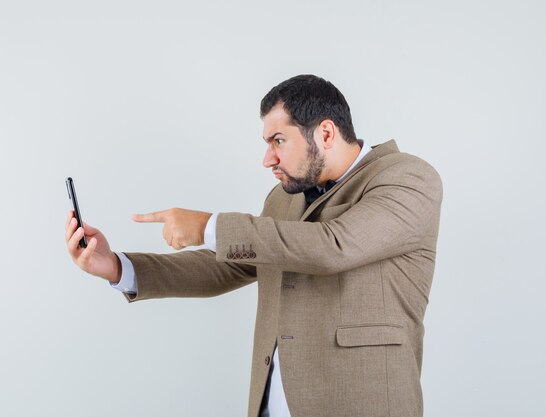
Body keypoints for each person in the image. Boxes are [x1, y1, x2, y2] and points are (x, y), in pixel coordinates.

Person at [65, 74, 443, 417]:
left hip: (363, 403)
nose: (268, 159)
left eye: (279, 141)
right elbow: (229, 265)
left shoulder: (407, 178)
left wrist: (208, 226)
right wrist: (116, 267)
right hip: (272, 402)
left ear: (326, 133)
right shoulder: (284, 198)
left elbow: (334, 246)